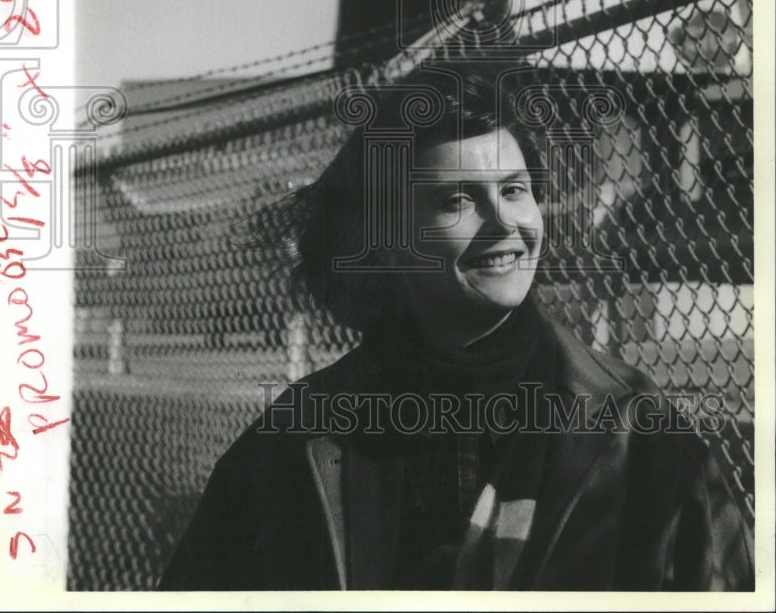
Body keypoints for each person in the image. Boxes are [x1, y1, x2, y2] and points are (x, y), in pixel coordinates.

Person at [159, 66, 754, 591]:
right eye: (458, 201)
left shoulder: (638, 435)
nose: (505, 225)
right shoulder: (295, 442)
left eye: (515, 191)